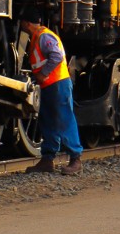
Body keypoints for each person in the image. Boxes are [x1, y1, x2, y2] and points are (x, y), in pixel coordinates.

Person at [20, 15, 84, 174]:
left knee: (64, 119)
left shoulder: (44, 36)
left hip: (58, 84)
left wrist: (43, 73)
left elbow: (56, 56)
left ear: (27, 23)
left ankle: (76, 159)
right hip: (49, 85)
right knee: (47, 120)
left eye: (21, 22)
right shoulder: (37, 37)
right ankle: (47, 160)